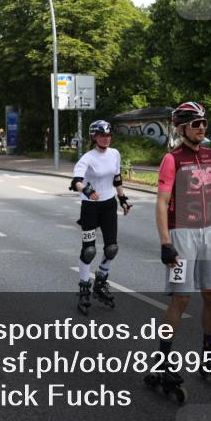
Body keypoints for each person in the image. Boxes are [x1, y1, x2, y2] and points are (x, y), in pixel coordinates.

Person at [146, 102, 211, 399]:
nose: (201, 128)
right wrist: (165, 243)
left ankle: (209, 351)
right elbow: (160, 203)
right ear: (181, 128)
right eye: (195, 124)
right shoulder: (172, 160)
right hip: (181, 233)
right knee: (181, 298)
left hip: (208, 230)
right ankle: (162, 361)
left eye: (204, 123)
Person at [69, 120, 131, 315]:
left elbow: (117, 177)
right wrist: (87, 190)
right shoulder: (87, 158)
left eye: (108, 135)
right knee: (89, 251)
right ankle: (84, 288)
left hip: (108, 205)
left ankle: (101, 281)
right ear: (94, 137)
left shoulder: (115, 154)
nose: (106, 138)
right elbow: (76, 181)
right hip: (90, 207)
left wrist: (122, 199)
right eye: (102, 135)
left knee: (112, 248)